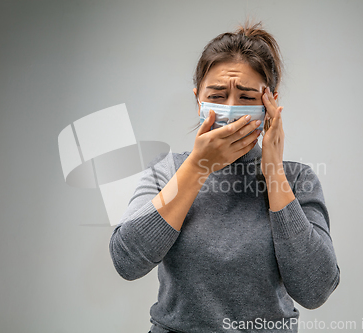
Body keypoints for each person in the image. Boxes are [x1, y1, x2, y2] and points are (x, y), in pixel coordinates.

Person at [109, 20, 340, 333]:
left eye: (246, 98)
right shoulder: (166, 170)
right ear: (198, 99)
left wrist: (273, 172)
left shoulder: (298, 179)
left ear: (270, 101)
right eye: (217, 96)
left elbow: (315, 289)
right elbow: (126, 261)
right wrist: (196, 167)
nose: (232, 110)